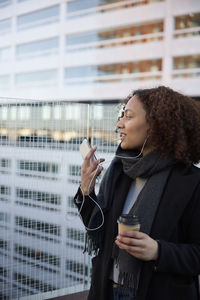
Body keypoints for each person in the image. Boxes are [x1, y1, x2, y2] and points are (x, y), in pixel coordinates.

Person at [74, 86, 200, 300]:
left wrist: (158, 251)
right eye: (121, 116)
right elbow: (98, 231)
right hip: (107, 289)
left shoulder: (192, 182)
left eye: (128, 116)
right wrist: (87, 192)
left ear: (157, 124)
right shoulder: (120, 170)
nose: (119, 124)